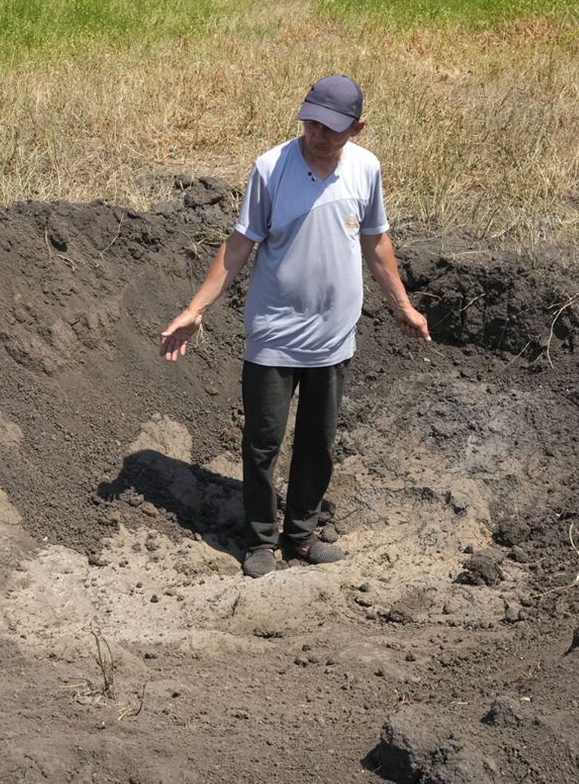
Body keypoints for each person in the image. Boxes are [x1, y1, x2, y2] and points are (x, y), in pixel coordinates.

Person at [159, 74, 432, 578]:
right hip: (274, 334)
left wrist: (402, 304)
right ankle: (261, 538)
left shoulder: (365, 169)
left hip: (333, 335)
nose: (317, 134)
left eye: (331, 127)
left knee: (318, 441)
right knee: (263, 440)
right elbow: (240, 243)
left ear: (358, 127)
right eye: (310, 121)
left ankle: (301, 535)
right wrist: (195, 309)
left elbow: (376, 242)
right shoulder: (271, 167)